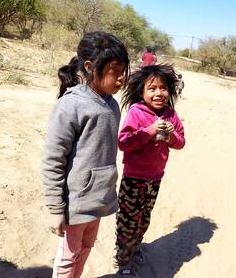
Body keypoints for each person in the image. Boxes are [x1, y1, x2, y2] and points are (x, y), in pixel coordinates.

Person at [41, 31, 130, 278]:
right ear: (90, 67)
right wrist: (55, 208)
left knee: (87, 247)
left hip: (99, 196)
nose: (122, 77)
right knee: (69, 256)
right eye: (116, 70)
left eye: (124, 70)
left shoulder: (111, 103)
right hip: (76, 201)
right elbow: (53, 159)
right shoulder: (71, 105)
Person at [114, 64, 186, 277]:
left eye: (163, 88)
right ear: (141, 92)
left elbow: (181, 142)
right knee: (128, 220)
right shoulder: (136, 112)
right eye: (152, 89)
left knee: (144, 218)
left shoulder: (171, 115)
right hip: (134, 179)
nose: (158, 93)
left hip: (155, 179)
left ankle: (135, 248)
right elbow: (124, 142)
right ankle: (123, 260)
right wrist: (149, 131)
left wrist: (172, 136)